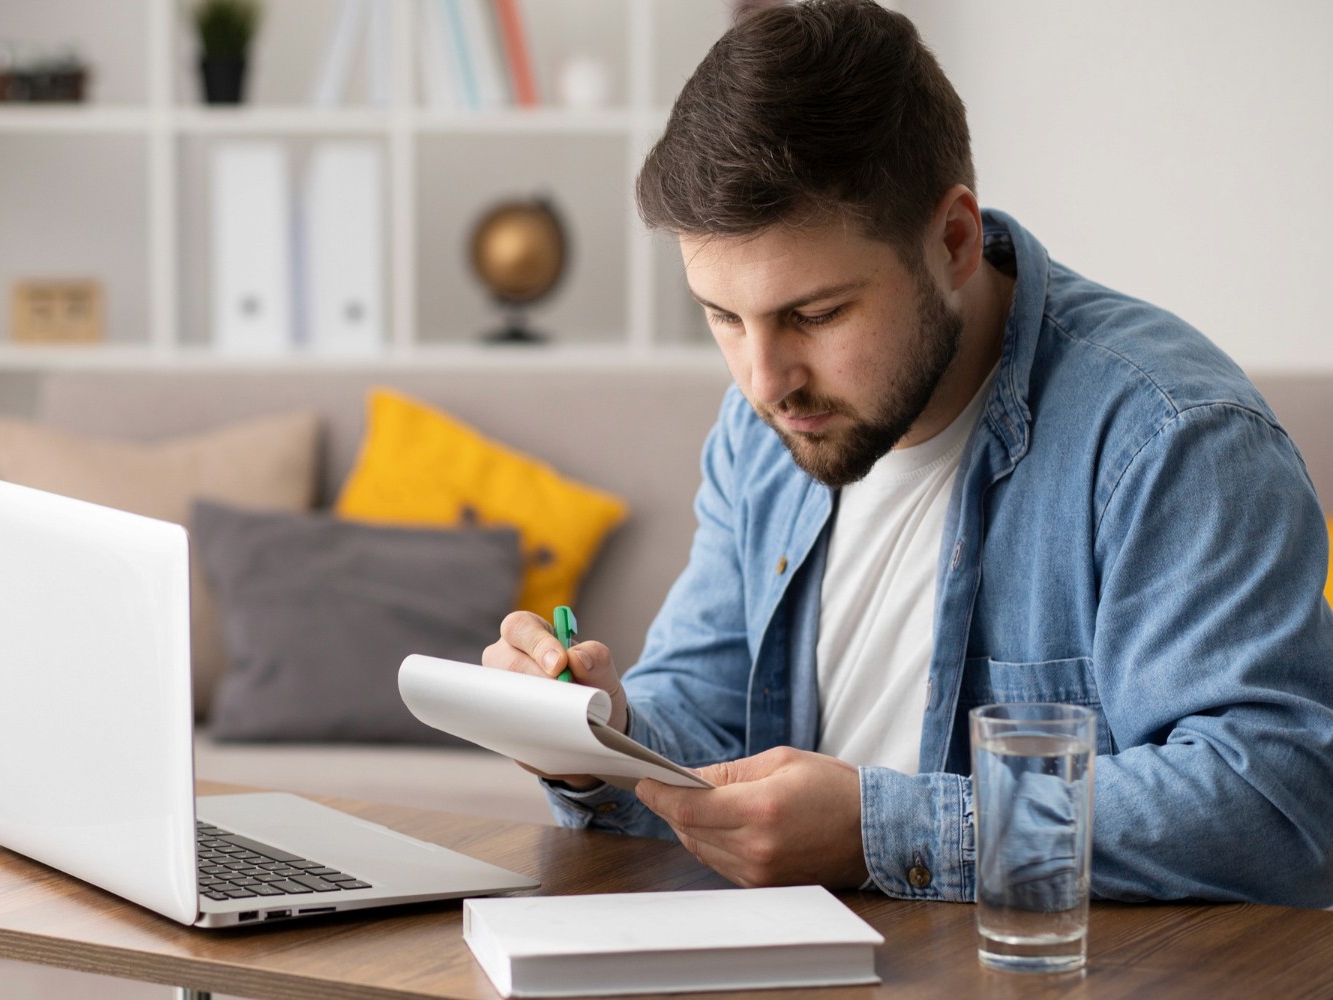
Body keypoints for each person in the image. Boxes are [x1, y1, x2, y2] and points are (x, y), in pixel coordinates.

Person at [482, 0, 1333, 906]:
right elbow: (709, 711)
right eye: (724, 318)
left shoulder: (1170, 437)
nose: (765, 378)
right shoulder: (764, 427)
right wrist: (596, 738)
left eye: (814, 315)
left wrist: (878, 833)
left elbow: (1274, 803)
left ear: (955, 241)